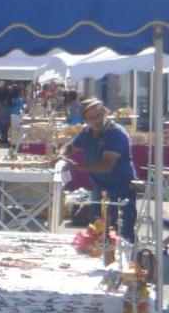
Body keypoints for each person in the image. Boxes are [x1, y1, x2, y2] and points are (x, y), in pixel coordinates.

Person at [55, 98, 137, 242]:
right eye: (91, 118)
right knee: (98, 229)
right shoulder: (87, 133)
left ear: (104, 113)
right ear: (85, 119)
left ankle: (128, 259)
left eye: (98, 115)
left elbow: (105, 166)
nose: (96, 120)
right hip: (99, 186)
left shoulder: (115, 134)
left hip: (121, 186)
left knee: (121, 232)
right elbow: (70, 147)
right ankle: (100, 258)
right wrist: (61, 155)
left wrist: (75, 166)